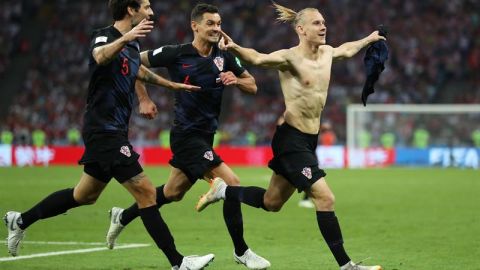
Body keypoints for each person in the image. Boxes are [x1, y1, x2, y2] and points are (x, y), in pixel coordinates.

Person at [3, 1, 214, 269]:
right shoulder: (105, 35)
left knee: (84, 195)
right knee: (147, 193)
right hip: (103, 129)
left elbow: (138, 70)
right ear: (130, 9)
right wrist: (127, 37)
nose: (151, 12)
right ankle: (178, 262)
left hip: (113, 129)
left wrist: (170, 84)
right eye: (146, 7)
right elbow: (100, 56)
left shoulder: (133, 45)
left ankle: (19, 220)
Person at [196, 3, 385, 270]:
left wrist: (370, 38)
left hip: (310, 139)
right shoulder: (289, 57)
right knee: (325, 198)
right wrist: (235, 47)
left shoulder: (328, 53)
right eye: (317, 23)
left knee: (271, 203)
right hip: (292, 140)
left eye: (324, 22)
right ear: (301, 29)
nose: (323, 27)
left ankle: (223, 190)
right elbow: (258, 58)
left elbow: (348, 49)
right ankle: (347, 266)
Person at [105, 3, 270, 270]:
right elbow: (132, 62)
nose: (217, 28)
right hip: (185, 135)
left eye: (219, 24)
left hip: (206, 136)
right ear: (195, 26)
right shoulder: (176, 53)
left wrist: (236, 80)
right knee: (231, 182)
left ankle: (123, 215)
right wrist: (143, 99)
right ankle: (242, 251)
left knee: (172, 193)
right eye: (210, 24)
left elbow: (252, 84)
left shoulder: (225, 56)